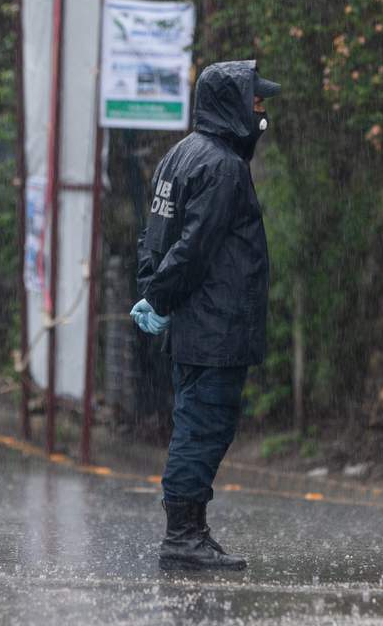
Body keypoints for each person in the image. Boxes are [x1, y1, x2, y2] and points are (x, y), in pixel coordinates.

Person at [131, 59, 279, 572]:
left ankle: (192, 532)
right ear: (232, 104)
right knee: (202, 428)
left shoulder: (179, 156)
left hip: (195, 324)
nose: (262, 111)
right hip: (215, 324)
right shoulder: (222, 166)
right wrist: (162, 297)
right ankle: (183, 536)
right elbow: (195, 247)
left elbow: (154, 236)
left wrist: (152, 291)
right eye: (256, 101)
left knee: (195, 423)